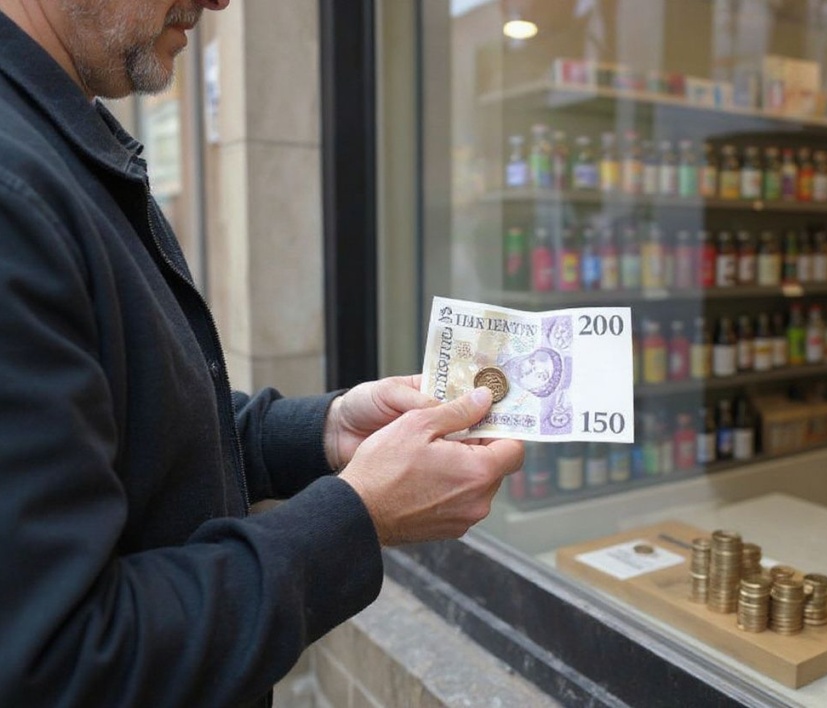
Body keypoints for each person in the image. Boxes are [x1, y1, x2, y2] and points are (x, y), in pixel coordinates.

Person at [0, 1, 524, 706]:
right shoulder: (16, 192)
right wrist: (360, 516)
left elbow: (137, 435)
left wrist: (324, 432)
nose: (220, 0)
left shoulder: (57, 143)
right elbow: (65, 662)